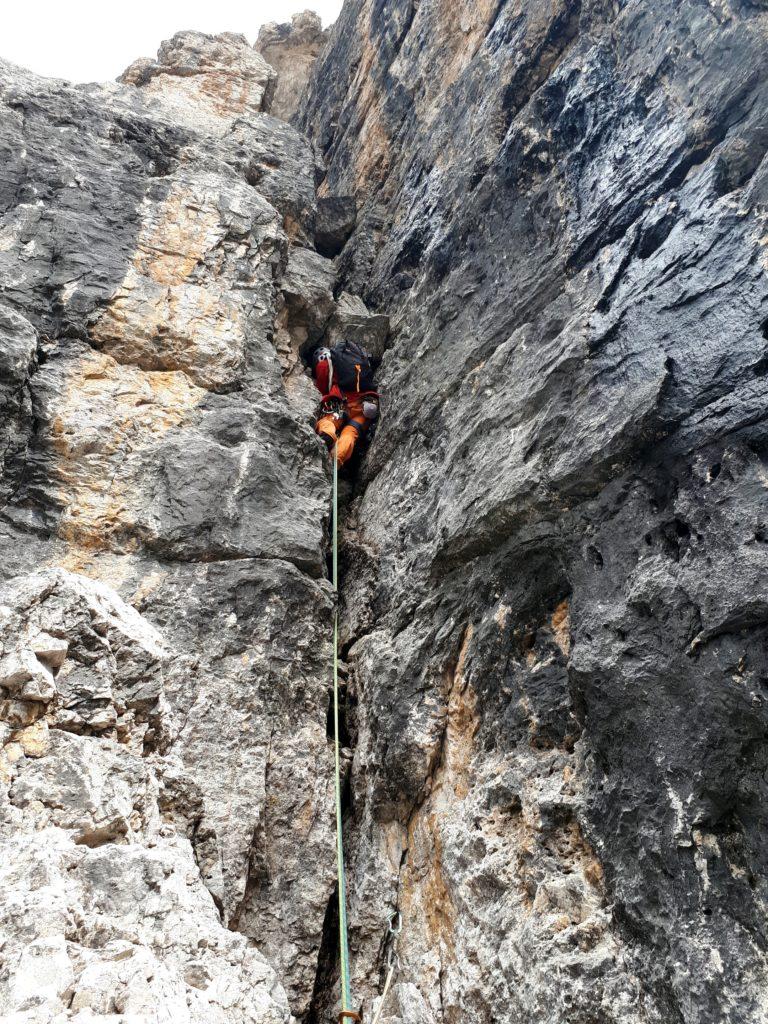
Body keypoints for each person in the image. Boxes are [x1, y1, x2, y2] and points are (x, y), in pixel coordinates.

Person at [312, 341, 379, 465]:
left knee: (328, 421)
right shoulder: (357, 360)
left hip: (340, 404)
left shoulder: (324, 362)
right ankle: (336, 460)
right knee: (351, 433)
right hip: (362, 407)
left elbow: (323, 388)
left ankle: (328, 434)